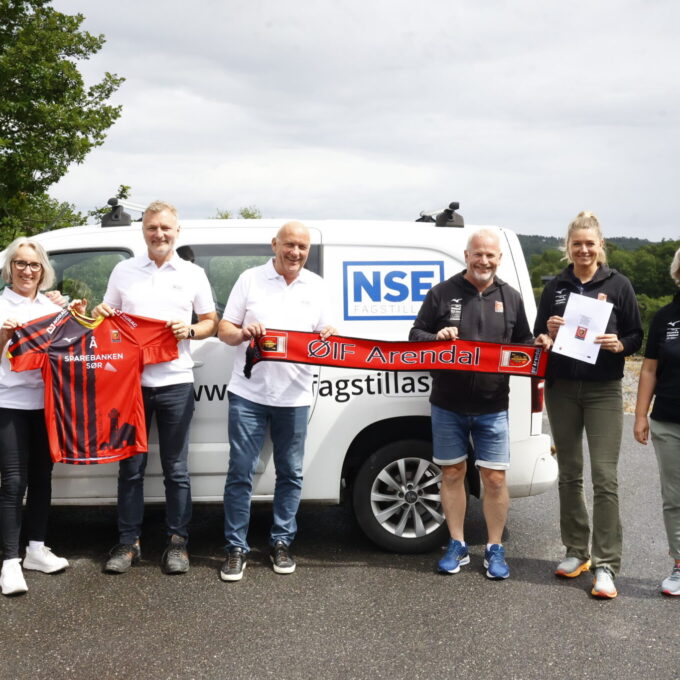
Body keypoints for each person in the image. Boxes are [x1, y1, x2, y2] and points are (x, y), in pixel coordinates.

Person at [409, 228, 549, 580]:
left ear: (498, 259)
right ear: (467, 255)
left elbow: (523, 344)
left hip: (493, 406)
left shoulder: (511, 297)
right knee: (452, 473)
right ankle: (456, 544)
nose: (483, 260)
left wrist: (539, 344)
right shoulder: (442, 293)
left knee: (495, 479)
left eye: (490, 255)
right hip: (447, 404)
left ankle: (494, 548)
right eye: (477, 254)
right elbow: (415, 336)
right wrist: (437, 337)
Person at [92, 201, 218, 575]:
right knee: (130, 467)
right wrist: (96, 313)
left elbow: (211, 321)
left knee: (176, 469)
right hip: (130, 385)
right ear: (143, 231)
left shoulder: (193, 273)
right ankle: (128, 542)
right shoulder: (124, 270)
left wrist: (190, 330)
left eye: (165, 228)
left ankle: (178, 543)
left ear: (177, 231)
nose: (159, 234)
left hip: (176, 382)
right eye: (152, 228)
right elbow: (106, 316)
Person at [218, 221, 335, 581]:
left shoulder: (317, 286)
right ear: (274, 244)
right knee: (240, 472)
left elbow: (328, 336)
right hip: (248, 394)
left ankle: (281, 542)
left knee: (291, 474)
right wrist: (242, 333)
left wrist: (329, 335)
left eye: (302, 247)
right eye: (289, 244)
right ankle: (235, 547)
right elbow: (224, 330)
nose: (295, 252)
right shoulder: (250, 279)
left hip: (295, 396)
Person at [534, 211, 642, 599]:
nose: (583, 250)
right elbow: (537, 335)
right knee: (569, 473)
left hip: (603, 391)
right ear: (568, 246)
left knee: (605, 478)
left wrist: (620, 344)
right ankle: (576, 550)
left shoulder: (619, 285)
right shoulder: (556, 286)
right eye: (577, 244)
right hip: (561, 388)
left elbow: (636, 335)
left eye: (589, 244)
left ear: (600, 246)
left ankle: (606, 564)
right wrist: (546, 335)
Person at [0, 238, 69, 595]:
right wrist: (4, 335)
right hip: (9, 402)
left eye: (34, 265)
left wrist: (74, 311)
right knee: (14, 482)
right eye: (20, 263)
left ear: (43, 271)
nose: (27, 270)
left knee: (43, 478)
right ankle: (10, 562)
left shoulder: (51, 307)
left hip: (46, 404)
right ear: (9, 267)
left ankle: (36, 550)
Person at [634, 247, 680, 596]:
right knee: (674, 498)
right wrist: (640, 415)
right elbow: (649, 369)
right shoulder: (665, 318)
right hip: (669, 422)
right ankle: (679, 564)